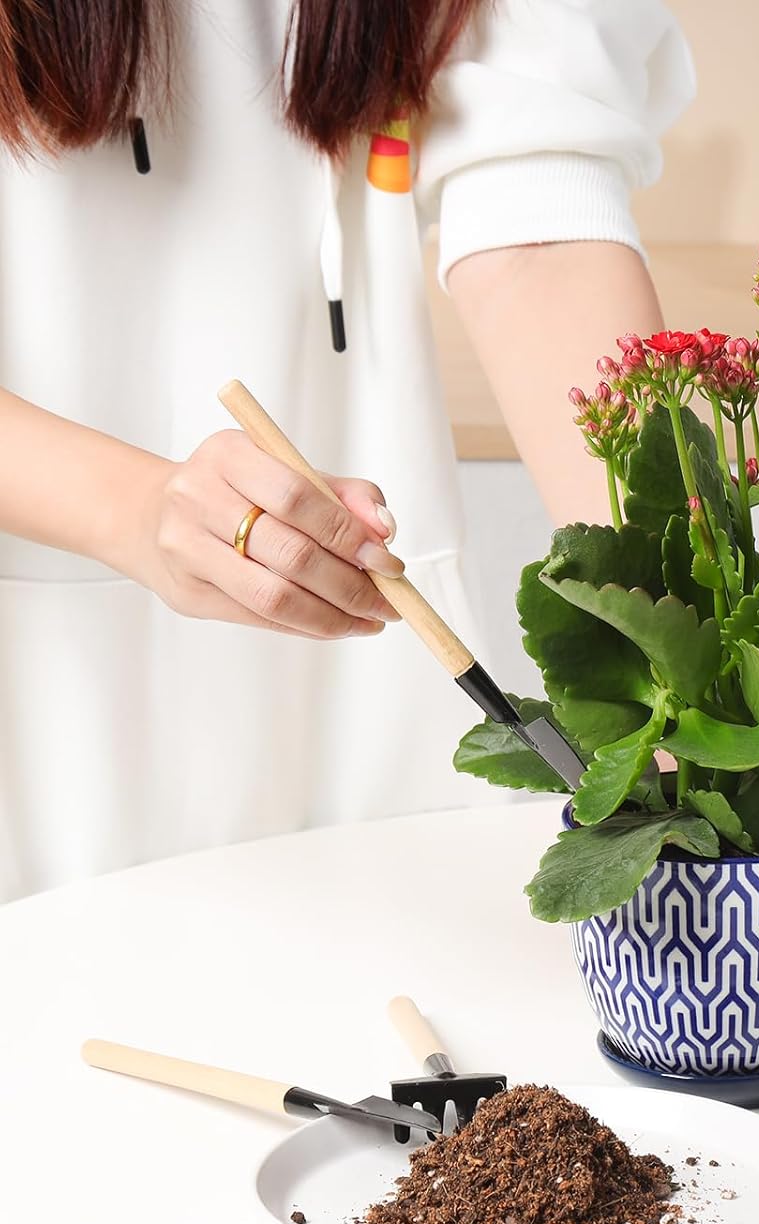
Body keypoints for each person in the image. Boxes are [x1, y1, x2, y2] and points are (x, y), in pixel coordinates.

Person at [0, 0, 694, 903]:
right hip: (43, 692)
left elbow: (539, 219)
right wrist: (132, 508)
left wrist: (685, 655)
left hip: (367, 684)